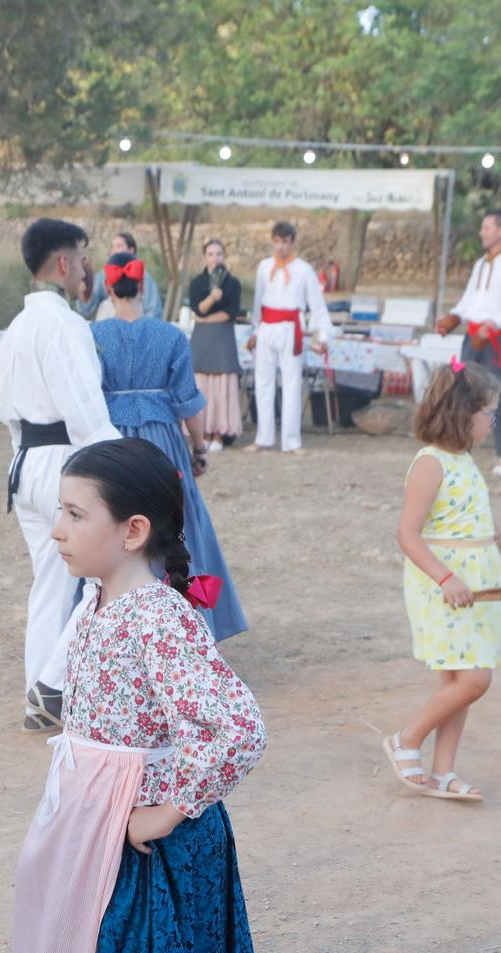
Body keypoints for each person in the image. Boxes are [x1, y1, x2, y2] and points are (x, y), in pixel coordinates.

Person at [4, 438, 275, 953]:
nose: (56, 527)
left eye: (75, 512)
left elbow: (239, 729)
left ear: (132, 530)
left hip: (147, 855)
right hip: (99, 837)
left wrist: (163, 808)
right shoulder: (99, 603)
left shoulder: (157, 619)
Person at [0, 218, 121, 730]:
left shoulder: (14, 330)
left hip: (25, 465)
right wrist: (124, 466)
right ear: (64, 264)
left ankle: (36, 694)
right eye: (82, 259)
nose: (85, 269)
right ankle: (54, 685)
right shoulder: (63, 324)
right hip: (67, 463)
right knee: (104, 577)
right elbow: (85, 412)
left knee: (52, 583)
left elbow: (0, 409)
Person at [93, 251, 248, 643]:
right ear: (142, 287)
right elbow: (187, 402)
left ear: (108, 289)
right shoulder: (170, 336)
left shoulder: (92, 336)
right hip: (162, 441)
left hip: (111, 442)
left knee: (114, 529)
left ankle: (115, 629)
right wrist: (198, 449)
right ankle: (186, 627)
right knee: (178, 527)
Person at [379, 360, 501, 803]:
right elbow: (408, 534)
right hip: (445, 590)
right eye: (489, 412)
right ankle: (406, 739)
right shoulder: (431, 463)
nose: (492, 422)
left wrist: (489, 535)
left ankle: (443, 771)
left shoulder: (464, 460)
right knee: (475, 679)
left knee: (459, 683)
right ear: (463, 412)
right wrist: (447, 576)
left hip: (477, 588)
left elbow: (456, 517)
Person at [435, 209, 501, 474]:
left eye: (487, 228)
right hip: (473, 334)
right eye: (482, 228)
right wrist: (453, 318)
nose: (482, 232)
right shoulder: (480, 264)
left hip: (496, 336)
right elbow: (469, 300)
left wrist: (494, 325)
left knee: (499, 393)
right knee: (463, 391)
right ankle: (460, 444)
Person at [247, 221, 332, 453]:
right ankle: (263, 438)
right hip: (267, 325)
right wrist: (255, 329)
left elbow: (317, 305)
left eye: (285, 242)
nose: (280, 247)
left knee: (292, 383)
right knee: (263, 381)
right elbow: (257, 302)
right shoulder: (264, 267)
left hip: (289, 327)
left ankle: (291, 441)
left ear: (292, 242)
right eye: (276, 241)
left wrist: (323, 334)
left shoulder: (304, 270)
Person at [186, 239, 244, 449]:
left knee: (222, 384)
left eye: (218, 253)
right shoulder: (197, 283)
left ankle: (219, 433)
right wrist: (211, 298)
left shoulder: (232, 283)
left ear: (224, 256)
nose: (215, 257)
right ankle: (204, 432)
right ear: (204, 257)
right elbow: (197, 308)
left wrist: (203, 319)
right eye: (210, 254)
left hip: (222, 337)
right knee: (201, 383)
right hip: (202, 340)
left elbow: (230, 313)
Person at [78, 230, 163, 322]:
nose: (114, 250)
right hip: (108, 326)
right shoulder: (102, 276)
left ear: (131, 250)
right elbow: (86, 308)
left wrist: (144, 331)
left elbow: (153, 310)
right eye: (112, 246)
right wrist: (82, 293)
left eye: (118, 246)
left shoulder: (145, 277)